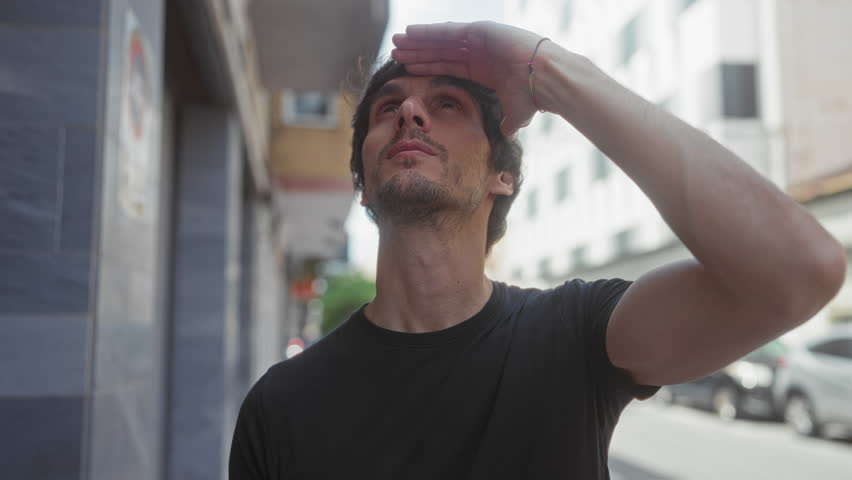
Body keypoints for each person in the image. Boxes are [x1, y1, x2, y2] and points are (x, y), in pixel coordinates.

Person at [229, 21, 845, 479]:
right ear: (363, 183)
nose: (410, 111)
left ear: (504, 177)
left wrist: (548, 70)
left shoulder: (573, 334)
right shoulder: (280, 405)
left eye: (447, 104)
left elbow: (802, 270)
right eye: (388, 108)